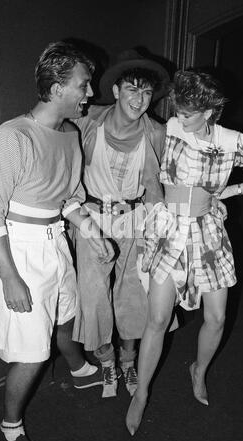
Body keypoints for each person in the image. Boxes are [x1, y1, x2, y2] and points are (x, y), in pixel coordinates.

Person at [125, 69, 243, 435]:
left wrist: (233, 192)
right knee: (158, 319)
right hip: (167, 231)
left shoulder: (231, 140)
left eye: (188, 113)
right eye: (177, 110)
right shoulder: (170, 129)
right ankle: (141, 393)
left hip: (208, 234)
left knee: (216, 318)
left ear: (210, 110)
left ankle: (198, 371)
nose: (180, 118)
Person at [0, 41, 105, 441]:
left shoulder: (70, 135)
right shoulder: (10, 138)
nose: (91, 94)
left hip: (57, 242)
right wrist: (10, 278)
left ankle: (77, 367)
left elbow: (69, 198)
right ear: (57, 89)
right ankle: (9, 429)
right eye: (84, 86)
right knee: (32, 352)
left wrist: (91, 231)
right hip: (19, 249)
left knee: (66, 315)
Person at [72, 50, 171, 398]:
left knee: (133, 295)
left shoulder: (155, 132)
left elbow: (158, 187)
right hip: (92, 220)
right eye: (132, 89)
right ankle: (106, 361)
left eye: (146, 93)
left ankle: (128, 361)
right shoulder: (86, 122)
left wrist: (158, 233)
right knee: (94, 297)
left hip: (135, 219)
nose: (139, 99)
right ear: (116, 91)